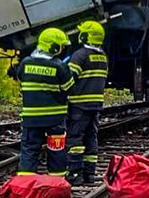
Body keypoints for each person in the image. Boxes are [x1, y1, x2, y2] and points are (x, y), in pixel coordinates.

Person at [16, 28, 74, 178]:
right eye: (61, 46)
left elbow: (20, 79)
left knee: (29, 150)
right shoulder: (59, 66)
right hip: (55, 119)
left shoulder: (25, 63)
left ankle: (25, 182)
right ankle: (57, 181)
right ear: (54, 47)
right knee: (56, 150)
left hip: (31, 118)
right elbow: (69, 89)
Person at [63, 20, 108, 186]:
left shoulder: (80, 55)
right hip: (95, 105)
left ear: (86, 36)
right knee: (91, 138)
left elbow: (69, 79)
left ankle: (75, 173)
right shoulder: (102, 56)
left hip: (78, 105)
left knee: (74, 139)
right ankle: (90, 173)